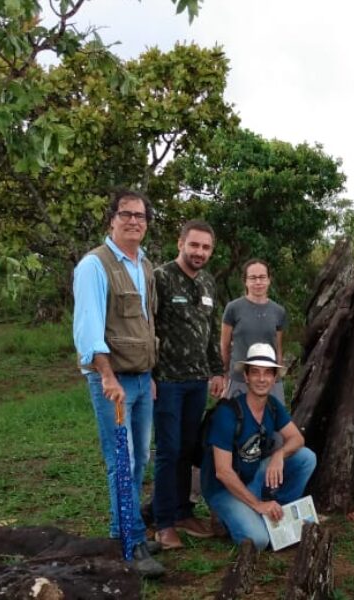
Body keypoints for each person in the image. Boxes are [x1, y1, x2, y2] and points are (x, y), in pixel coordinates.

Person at [71, 189, 164, 577]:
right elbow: (89, 328)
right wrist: (107, 376)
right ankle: (130, 546)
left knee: (139, 458)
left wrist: (151, 375)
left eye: (140, 216)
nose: (134, 221)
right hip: (115, 383)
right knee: (120, 463)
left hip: (142, 380)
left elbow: (146, 325)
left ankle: (125, 530)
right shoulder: (94, 265)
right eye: (126, 214)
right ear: (112, 219)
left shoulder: (143, 265)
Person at [152, 220, 226, 549]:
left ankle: (183, 511)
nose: (199, 252)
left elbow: (210, 334)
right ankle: (163, 522)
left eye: (206, 247)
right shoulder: (161, 278)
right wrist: (149, 376)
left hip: (197, 382)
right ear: (180, 243)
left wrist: (217, 371)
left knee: (186, 448)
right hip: (167, 381)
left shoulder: (209, 283)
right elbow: (147, 327)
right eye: (194, 245)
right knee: (168, 451)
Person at [202, 343, 316, 550]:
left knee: (306, 458)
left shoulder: (272, 406)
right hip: (224, 488)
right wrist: (258, 505)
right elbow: (223, 472)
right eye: (255, 373)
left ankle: (278, 512)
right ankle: (232, 517)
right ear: (246, 377)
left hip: (253, 476)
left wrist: (279, 455)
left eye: (267, 373)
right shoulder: (228, 414)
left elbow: (297, 438)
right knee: (259, 541)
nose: (261, 379)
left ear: (274, 379)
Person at [221, 259, 287, 399]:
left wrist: (277, 376)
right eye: (253, 278)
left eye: (262, 277)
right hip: (240, 379)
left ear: (269, 280)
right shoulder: (233, 308)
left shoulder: (278, 311)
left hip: (269, 381)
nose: (258, 282)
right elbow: (224, 345)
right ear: (245, 281)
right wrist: (225, 376)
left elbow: (278, 348)